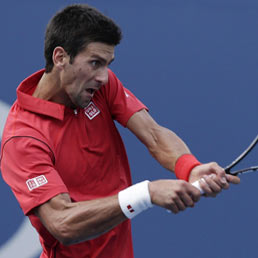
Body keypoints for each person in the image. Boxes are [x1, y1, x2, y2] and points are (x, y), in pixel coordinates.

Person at [0, 4, 240, 258]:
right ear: (60, 57)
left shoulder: (99, 86)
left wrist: (189, 167)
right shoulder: (23, 138)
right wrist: (145, 193)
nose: (103, 76)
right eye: (95, 63)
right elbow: (62, 222)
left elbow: (154, 135)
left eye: (107, 64)